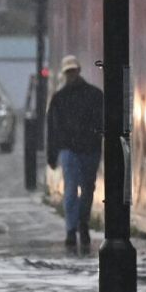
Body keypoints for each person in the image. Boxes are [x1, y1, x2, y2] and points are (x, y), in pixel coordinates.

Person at [46, 54, 103, 248]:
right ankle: (76, 228)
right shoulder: (93, 95)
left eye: (72, 71)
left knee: (83, 189)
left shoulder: (60, 99)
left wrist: (52, 154)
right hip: (81, 148)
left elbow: (52, 129)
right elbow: (52, 129)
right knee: (77, 189)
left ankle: (77, 226)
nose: (71, 74)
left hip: (79, 148)